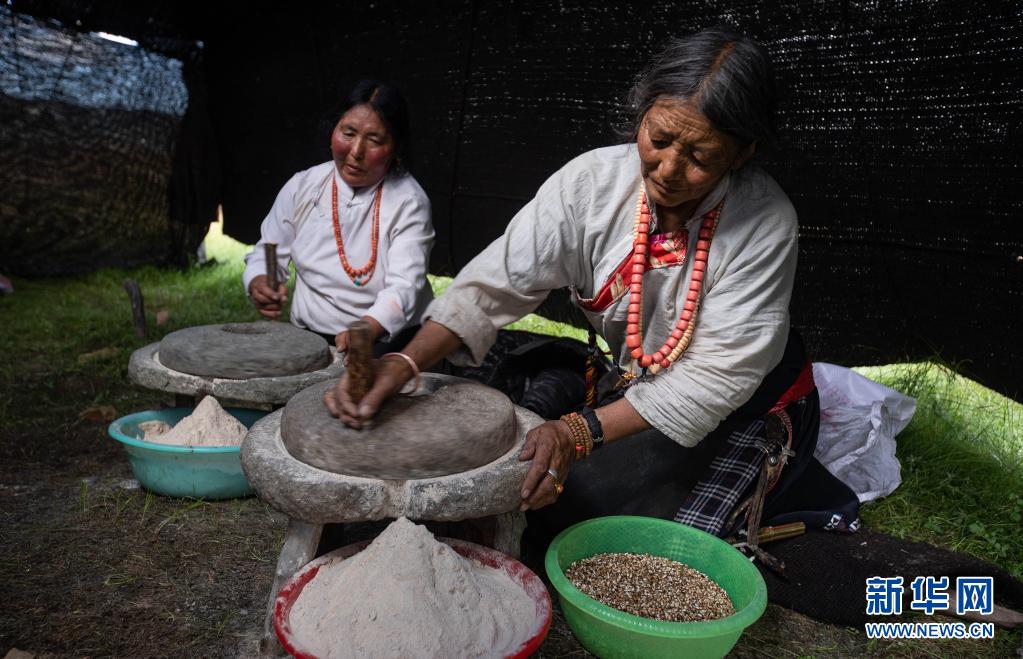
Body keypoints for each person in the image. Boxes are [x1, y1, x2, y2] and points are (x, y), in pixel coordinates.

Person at [325, 28, 859, 545]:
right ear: (641, 111)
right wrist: (406, 363)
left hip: (744, 403)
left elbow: (714, 379)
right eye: (658, 139)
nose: (669, 169)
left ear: (742, 154)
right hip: (642, 383)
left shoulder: (765, 222)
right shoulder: (591, 184)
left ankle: (780, 477)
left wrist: (576, 432)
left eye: (701, 157)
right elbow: (498, 281)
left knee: (584, 520)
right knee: (526, 483)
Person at [243, 80, 434, 355]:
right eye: (348, 133)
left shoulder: (409, 202)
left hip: (388, 343)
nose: (356, 151)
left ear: (396, 148)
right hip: (310, 339)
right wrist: (262, 280)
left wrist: (369, 327)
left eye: (374, 140)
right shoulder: (303, 186)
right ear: (333, 130)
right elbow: (272, 247)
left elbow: (404, 286)